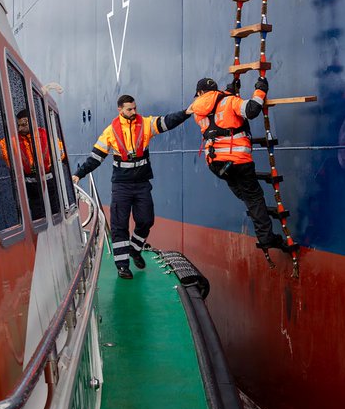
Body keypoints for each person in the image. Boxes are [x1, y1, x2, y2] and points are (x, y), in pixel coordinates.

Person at [72, 93, 188, 278]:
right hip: (121, 186)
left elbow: (167, 122)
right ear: (120, 110)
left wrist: (187, 112)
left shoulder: (146, 124)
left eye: (135, 108)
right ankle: (122, 266)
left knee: (146, 220)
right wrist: (79, 175)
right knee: (119, 226)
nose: (134, 112)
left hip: (142, 184)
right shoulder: (110, 132)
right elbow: (95, 158)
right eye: (129, 109)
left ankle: (135, 249)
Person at [187, 75, 288, 253]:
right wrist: (261, 89)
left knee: (245, 196)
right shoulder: (229, 101)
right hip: (238, 161)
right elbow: (251, 110)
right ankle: (266, 238)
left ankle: (262, 227)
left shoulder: (197, 111)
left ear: (200, 93)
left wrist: (229, 91)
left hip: (216, 164)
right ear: (216, 90)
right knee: (254, 198)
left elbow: (215, 111)